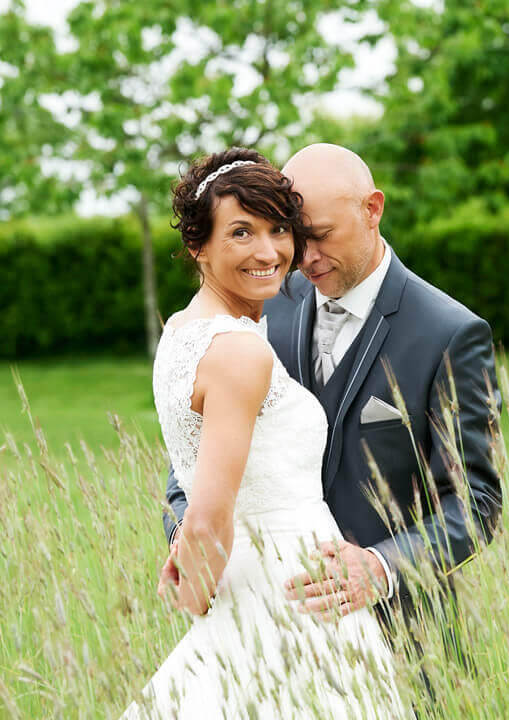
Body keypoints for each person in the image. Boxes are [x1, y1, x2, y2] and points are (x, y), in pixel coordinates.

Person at [121, 148, 409, 719]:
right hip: (292, 598)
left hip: (273, 587)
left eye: (280, 229)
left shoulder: (184, 331)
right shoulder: (239, 353)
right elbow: (207, 515)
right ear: (198, 245)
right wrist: (198, 589)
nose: (268, 250)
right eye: (241, 232)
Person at [163, 143, 503, 624]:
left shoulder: (451, 335)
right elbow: (194, 450)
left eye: (321, 236)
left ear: (373, 210)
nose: (306, 257)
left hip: (400, 630)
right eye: (297, 237)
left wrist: (380, 567)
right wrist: (186, 534)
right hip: (255, 617)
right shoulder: (263, 303)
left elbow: (476, 504)